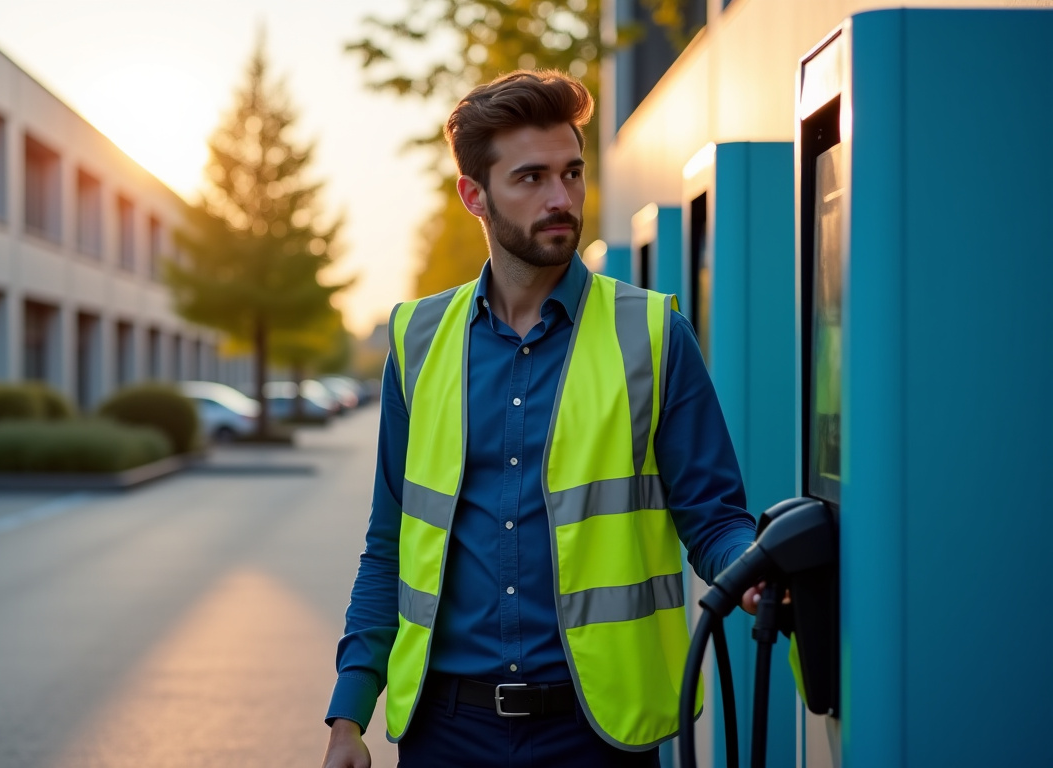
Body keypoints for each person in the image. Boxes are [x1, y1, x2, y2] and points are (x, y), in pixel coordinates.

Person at [321, 70, 759, 768]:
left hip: (598, 734)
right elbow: (391, 542)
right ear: (475, 195)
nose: (561, 199)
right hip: (446, 734)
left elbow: (714, 516)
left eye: (572, 173)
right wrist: (350, 715)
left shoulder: (651, 333)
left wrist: (752, 567)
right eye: (531, 178)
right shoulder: (417, 340)